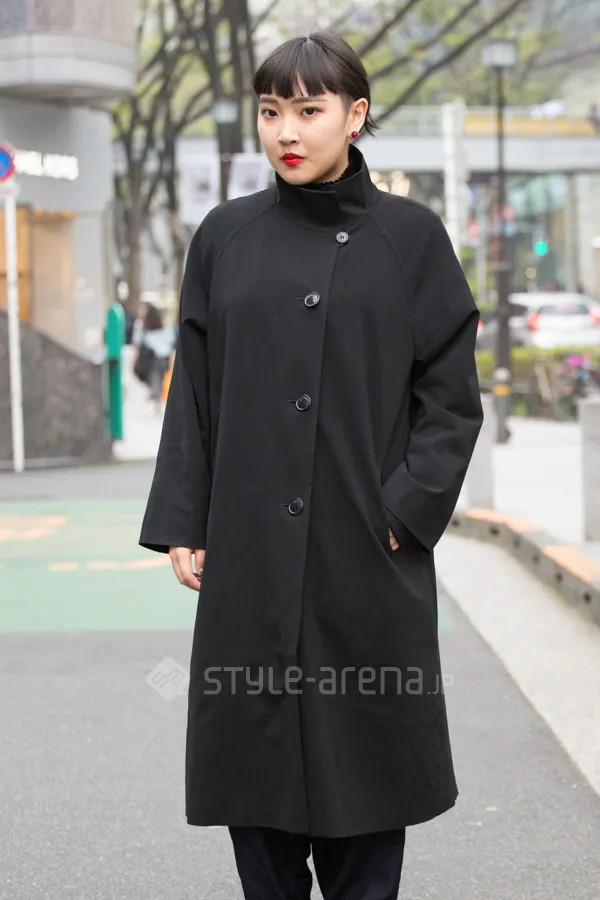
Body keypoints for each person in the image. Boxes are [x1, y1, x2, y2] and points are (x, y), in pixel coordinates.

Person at [139, 32, 483, 900]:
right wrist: (184, 518)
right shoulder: (225, 237)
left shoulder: (412, 238)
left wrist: (402, 513)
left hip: (365, 557)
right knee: (255, 801)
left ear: (354, 115)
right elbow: (194, 390)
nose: (286, 131)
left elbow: (450, 398)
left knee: (367, 791)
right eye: (270, 111)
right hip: (248, 553)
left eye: (308, 109)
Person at [132, 304, 175, 411]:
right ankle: (157, 398)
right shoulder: (165, 328)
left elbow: (137, 345)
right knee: (159, 378)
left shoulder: (142, 328)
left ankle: (156, 398)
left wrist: (134, 361)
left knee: (155, 378)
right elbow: (170, 344)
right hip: (163, 357)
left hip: (152, 358)